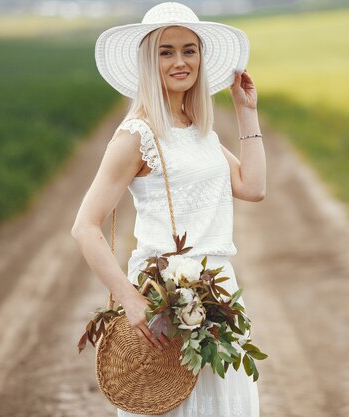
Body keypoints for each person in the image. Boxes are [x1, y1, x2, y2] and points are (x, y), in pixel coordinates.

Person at [71, 2, 265, 416]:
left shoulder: (200, 131)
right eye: (166, 51)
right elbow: (85, 227)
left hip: (219, 295)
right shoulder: (136, 136)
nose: (181, 61)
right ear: (148, 61)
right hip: (164, 297)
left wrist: (246, 111)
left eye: (189, 50)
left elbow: (253, 186)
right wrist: (131, 300)